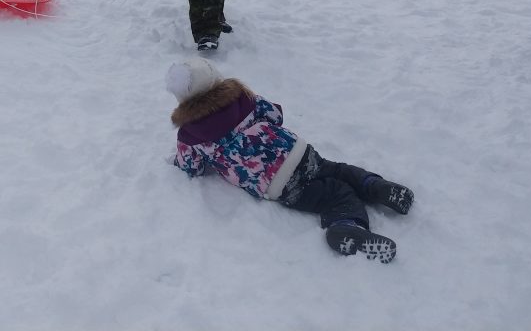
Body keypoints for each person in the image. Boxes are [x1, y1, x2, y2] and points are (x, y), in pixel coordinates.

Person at [166, 59, 413, 263]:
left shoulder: (189, 135)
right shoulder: (239, 97)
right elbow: (275, 115)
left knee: (333, 195)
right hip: (298, 153)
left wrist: (183, 160)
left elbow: (192, 167)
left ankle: (347, 223)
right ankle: (374, 186)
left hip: (277, 183)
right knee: (338, 171)